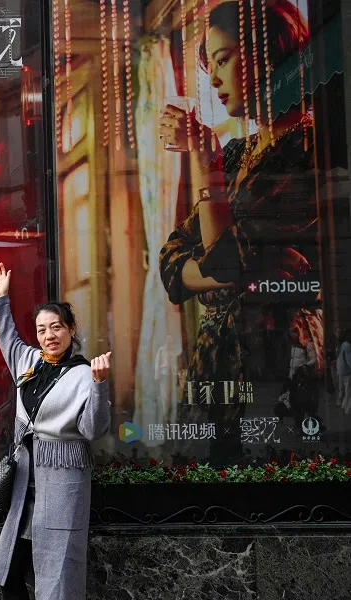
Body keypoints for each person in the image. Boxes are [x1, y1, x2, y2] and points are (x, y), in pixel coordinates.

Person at [158, 0, 321, 458]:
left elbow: (224, 263)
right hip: (216, 366)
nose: (212, 78)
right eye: (211, 64)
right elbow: (172, 261)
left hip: (275, 360)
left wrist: (205, 164)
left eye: (224, 59)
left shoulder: (310, 149)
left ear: (269, 53)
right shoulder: (236, 154)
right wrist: (225, 272)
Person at [0, 262, 111, 600]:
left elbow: (93, 429)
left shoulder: (84, 374)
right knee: (10, 568)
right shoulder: (28, 362)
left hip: (63, 477)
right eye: (41, 330)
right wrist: (1, 299)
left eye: (56, 327)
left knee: (57, 568)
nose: (49, 336)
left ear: (71, 329)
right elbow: (8, 337)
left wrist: (99, 387)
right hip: (25, 477)